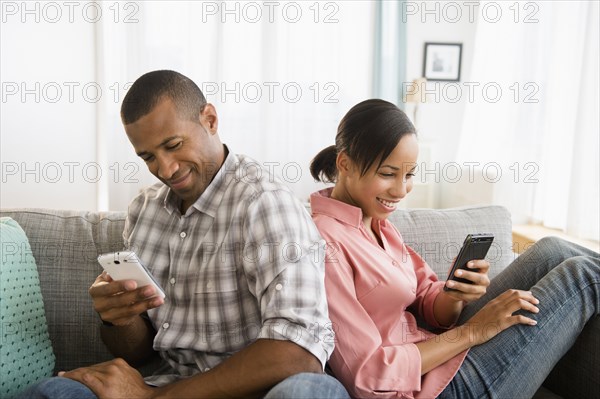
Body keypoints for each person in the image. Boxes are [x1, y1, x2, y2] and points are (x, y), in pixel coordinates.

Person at [20, 70, 349, 399]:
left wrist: (154, 398)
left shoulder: (264, 203)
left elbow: (298, 354)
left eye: (173, 145)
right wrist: (119, 317)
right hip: (169, 384)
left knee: (310, 391)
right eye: (148, 156)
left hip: (258, 390)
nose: (165, 169)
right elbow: (141, 352)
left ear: (210, 119)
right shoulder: (145, 210)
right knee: (53, 392)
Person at [308, 98, 600, 399]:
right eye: (387, 174)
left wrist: (455, 293)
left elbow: (426, 298)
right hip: (432, 389)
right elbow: (368, 375)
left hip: (441, 353)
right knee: (583, 275)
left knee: (553, 250)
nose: (401, 190)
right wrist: (472, 331)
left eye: (409, 175)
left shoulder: (378, 222)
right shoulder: (325, 242)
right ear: (345, 164)